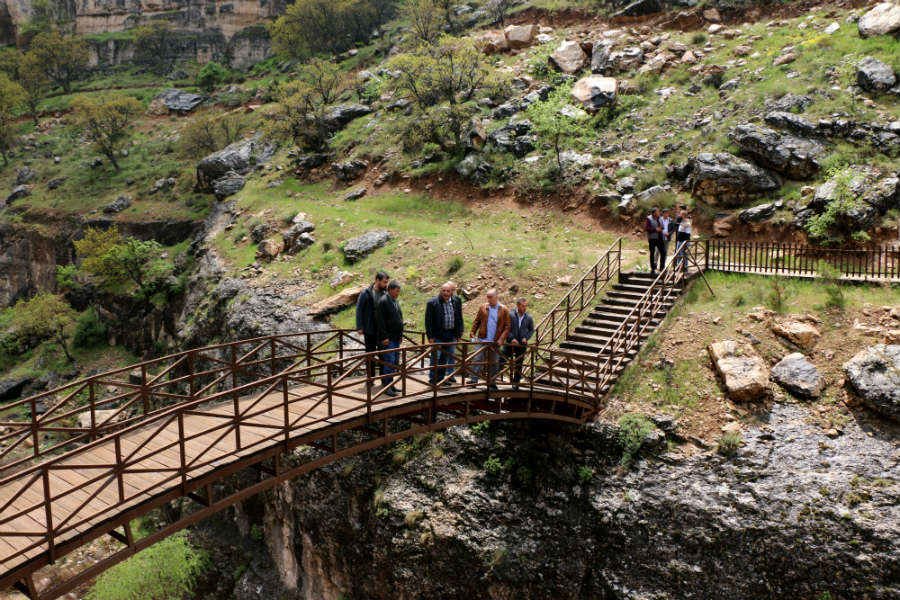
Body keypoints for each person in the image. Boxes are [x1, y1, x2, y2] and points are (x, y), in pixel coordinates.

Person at [468, 289, 509, 390]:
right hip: (482, 339)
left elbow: (507, 327)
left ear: (496, 297)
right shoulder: (483, 307)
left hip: (495, 341)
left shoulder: (504, 309)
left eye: (490, 297)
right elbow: (477, 321)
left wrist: (501, 339)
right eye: (488, 297)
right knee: (477, 359)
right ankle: (473, 380)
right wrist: (472, 332)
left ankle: (492, 382)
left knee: (494, 362)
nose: (488, 299)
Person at [425, 283, 464, 386]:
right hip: (438, 335)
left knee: (445, 358)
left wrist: (459, 332)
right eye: (443, 290)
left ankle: (441, 379)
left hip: (451, 334)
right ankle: (433, 380)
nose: (446, 293)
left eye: (448, 291)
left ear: (451, 292)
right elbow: (428, 321)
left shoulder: (456, 301)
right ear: (440, 291)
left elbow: (459, 317)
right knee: (435, 358)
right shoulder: (432, 302)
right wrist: (430, 336)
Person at [355, 271, 390, 379]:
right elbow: (359, 309)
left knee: (384, 356)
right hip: (370, 330)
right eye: (384, 282)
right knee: (370, 356)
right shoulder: (366, 293)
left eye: (387, 282)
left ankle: (385, 380)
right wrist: (360, 327)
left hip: (382, 331)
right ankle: (370, 379)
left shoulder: (386, 293)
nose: (386, 284)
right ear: (377, 280)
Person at [375, 280, 404, 397]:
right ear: (391, 290)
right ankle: (387, 387)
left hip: (396, 338)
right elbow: (379, 321)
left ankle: (391, 384)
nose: (398, 293)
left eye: (399, 291)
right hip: (388, 339)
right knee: (389, 362)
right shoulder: (383, 301)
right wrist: (384, 337)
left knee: (394, 362)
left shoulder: (394, 301)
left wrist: (400, 335)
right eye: (397, 291)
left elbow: (399, 318)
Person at [504, 298, 534, 390]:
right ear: (518, 305)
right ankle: (492, 380)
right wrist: (511, 338)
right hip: (510, 343)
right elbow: (506, 327)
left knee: (519, 364)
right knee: (501, 359)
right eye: (523, 306)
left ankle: (515, 383)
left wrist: (526, 338)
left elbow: (531, 330)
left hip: (522, 345)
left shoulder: (529, 317)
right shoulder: (510, 314)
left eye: (526, 306)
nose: (525, 308)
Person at [644, 208, 664, 275]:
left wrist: (662, 227)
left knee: (663, 252)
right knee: (652, 253)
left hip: (660, 238)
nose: (659, 212)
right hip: (652, 239)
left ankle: (662, 268)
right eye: (657, 212)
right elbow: (647, 228)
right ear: (654, 213)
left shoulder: (660, 218)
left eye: (658, 211)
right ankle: (653, 268)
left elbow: (662, 226)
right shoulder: (649, 218)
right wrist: (656, 230)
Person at [674, 204, 693, 270]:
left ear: (683, 215)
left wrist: (679, 224)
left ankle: (681, 267)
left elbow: (685, 232)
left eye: (680, 214)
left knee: (681, 254)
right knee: (682, 254)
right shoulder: (684, 221)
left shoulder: (686, 222)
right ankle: (682, 267)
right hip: (682, 240)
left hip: (683, 241)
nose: (679, 215)